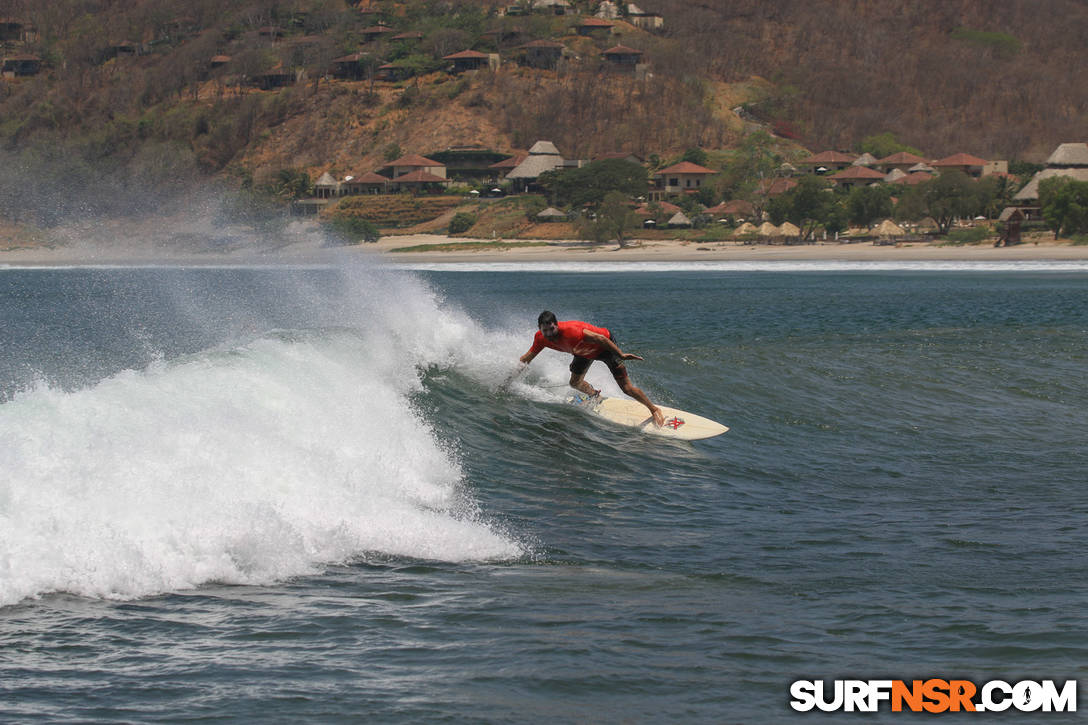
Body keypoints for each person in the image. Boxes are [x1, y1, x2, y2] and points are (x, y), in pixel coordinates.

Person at [519, 310, 665, 427]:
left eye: (552, 329)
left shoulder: (572, 331)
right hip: (582, 352)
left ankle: (654, 409)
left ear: (557, 325)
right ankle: (595, 395)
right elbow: (526, 359)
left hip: (604, 348)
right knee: (574, 383)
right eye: (545, 331)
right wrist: (509, 377)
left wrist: (621, 354)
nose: (549, 334)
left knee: (626, 388)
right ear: (539, 329)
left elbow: (601, 339)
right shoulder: (540, 339)